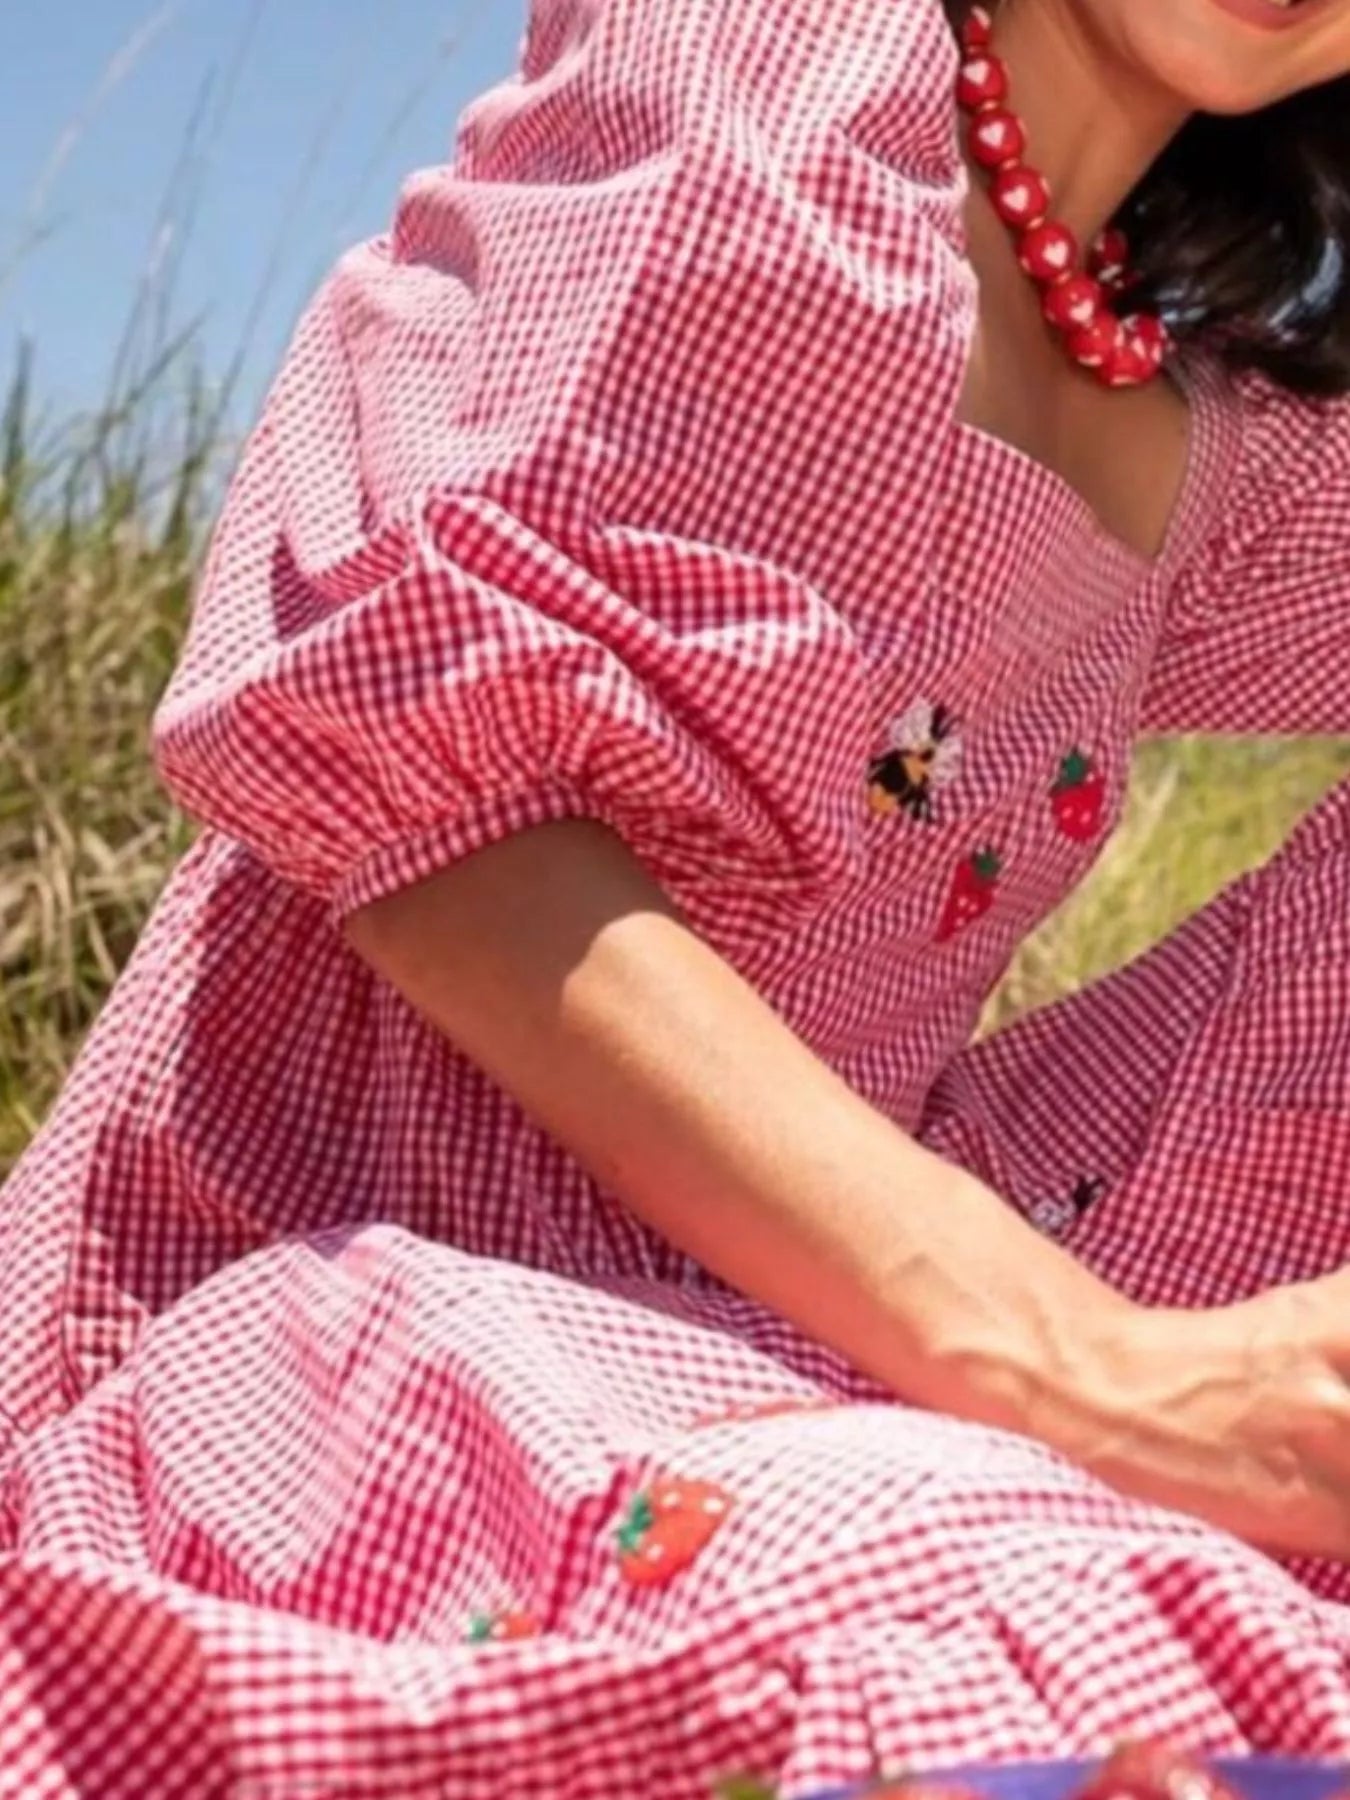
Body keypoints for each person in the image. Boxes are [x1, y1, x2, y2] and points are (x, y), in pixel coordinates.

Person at [3, 0, 1350, 1791]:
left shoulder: (1210, 452)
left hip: (826, 1325)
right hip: (368, 1321)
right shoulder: (764, 64)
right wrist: (1070, 1358)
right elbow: (403, 758)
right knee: (1003, 1604)